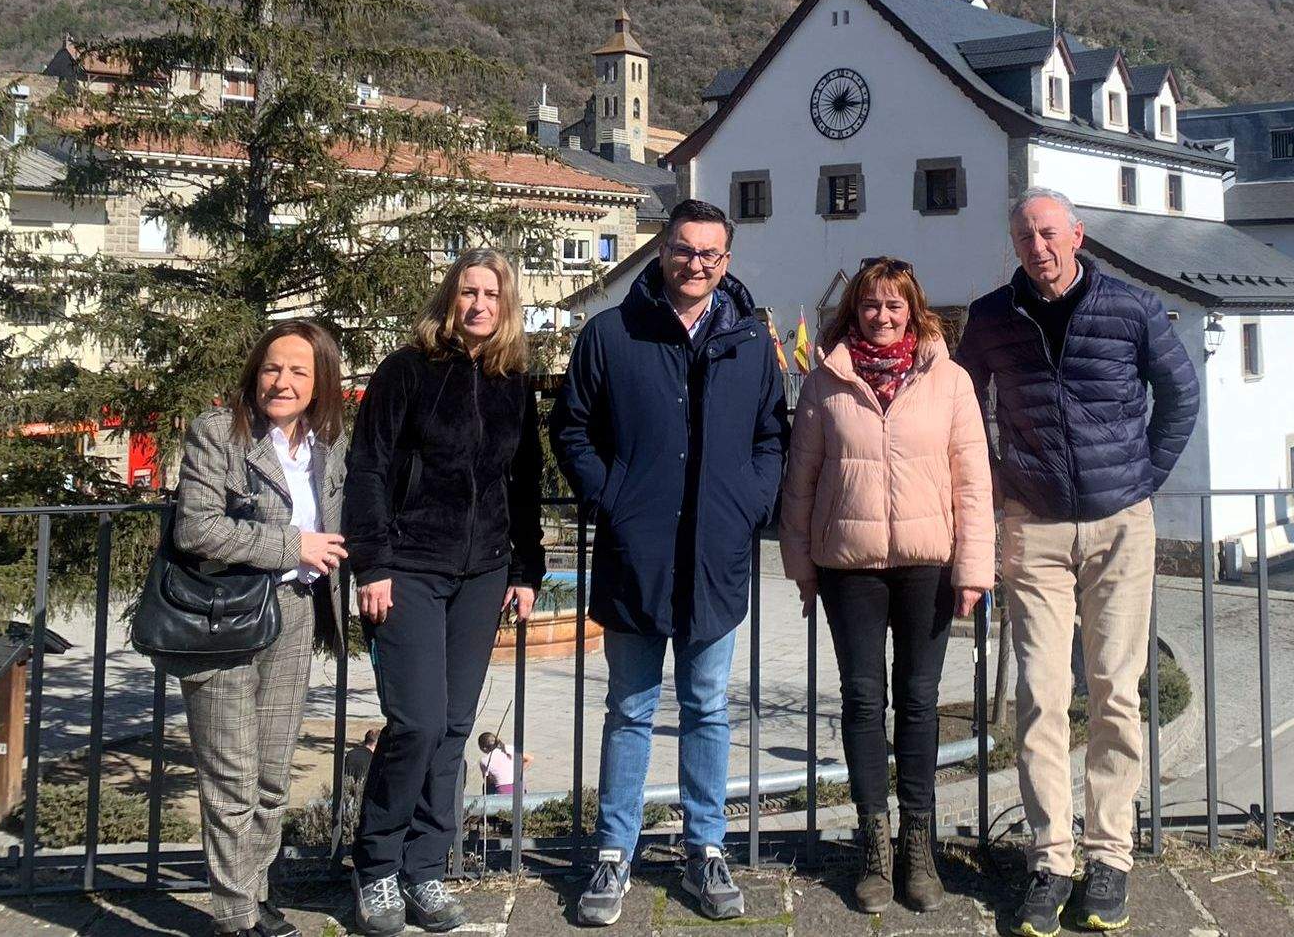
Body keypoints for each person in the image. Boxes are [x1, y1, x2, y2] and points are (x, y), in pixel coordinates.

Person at [958, 189, 1199, 937]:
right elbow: (965, 409)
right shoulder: (992, 316)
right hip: (1033, 529)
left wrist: (1140, 481)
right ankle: (1049, 857)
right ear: (1016, 244)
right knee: (1040, 695)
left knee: (1117, 692)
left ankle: (1110, 855)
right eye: (1026, 235)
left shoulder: (1131, 307)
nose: (1039, 245)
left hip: (1120, 526)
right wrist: (997, 484)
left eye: (1050, 232)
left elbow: (1180, 397)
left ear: (1077, 235)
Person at [551, 199, 787, 926]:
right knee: (628, 708)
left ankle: (705, 846)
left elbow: (772, 435)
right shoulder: (611, 333)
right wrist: (612, 496)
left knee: (708, 707)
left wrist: (749, 500)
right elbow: (571, 428)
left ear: (727, 259)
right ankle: (614, 853)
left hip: (716, 554)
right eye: (685, 251)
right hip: (636, 551)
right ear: (662, 251)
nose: (697, 265)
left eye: (711, 255)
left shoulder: (750, 338)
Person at [779, 257, 995, 914]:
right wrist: (800, 565)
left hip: (927, 563)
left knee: (921, 700)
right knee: (863, 700)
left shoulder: (949, 380)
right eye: (870, 304)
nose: (882, 315)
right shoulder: (825, 381)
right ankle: (875, 848)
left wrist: (975, 568)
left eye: (893, 305)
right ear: (856, 311)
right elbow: (801, 479)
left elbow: (972, 480)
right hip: (850, 565)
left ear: (914, 309)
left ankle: (918, 848)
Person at [344, 248, 545, 937]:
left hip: (482, 573)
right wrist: (371, 564)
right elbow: (367, 466)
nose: (479, 304)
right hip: (410, 570)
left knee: (456, 728)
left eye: (491, 293)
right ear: (449, 300)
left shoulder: (515, 381)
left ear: (506, 305)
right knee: (418, 722)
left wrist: (526, 570)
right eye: (467, 292)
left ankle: (426, 870)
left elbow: (523, 487)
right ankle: (375, 869)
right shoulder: (407, 371)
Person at [170, 319, 349, 937]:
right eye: (273, 367)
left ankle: (255, 892)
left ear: (320, 381)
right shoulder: (219, 434)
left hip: (293, 616)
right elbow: (197, 529)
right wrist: (290, 544)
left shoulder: (326, 447)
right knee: (231, 780)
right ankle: (234, 915)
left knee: (272, 777)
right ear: (255, 373)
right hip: (222, 619)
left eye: (300, 371)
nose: (283, 381)